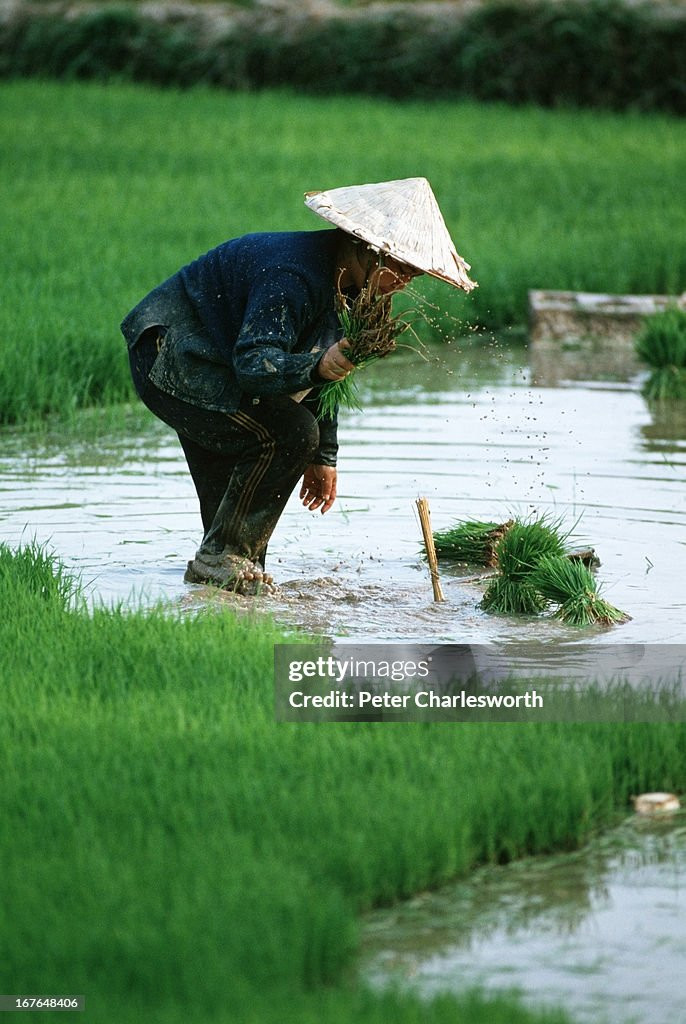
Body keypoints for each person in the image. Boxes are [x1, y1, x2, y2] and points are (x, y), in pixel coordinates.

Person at [120, 177, 475, 594]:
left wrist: (325, 455)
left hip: (213, 358)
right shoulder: (293, 276)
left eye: (413, 275)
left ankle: (217, 583)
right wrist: (318, 372)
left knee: (239, 550)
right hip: (173, 356)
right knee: (288, 432)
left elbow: (327, 374)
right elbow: (256, 365)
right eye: (398, 268)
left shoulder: (353, 288)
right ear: (365, 248)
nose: (403, 282)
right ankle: (221, 560)